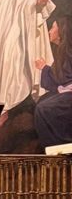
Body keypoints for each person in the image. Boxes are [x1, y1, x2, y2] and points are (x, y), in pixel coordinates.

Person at [34, 17, 72, 147]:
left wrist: (44, 68)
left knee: (43, 108)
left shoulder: (68, 51)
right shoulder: (61, 50)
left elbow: (64, 77)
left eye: (53, 28)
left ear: (61, 31)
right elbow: (57, 80)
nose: (50, 31)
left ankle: (58, 145)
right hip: (65, 93)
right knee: (42, 103)